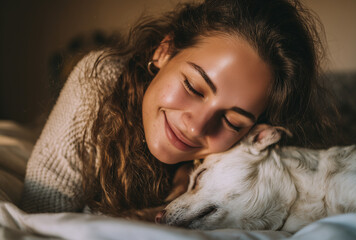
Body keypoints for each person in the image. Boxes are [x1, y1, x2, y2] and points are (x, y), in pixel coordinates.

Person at [20, 0, 336, 220]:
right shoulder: (100, 82)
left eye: (231, 120)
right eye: (194, 87)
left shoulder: (248, 157)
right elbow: (40, 213)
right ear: (164, 50)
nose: (197, 127)